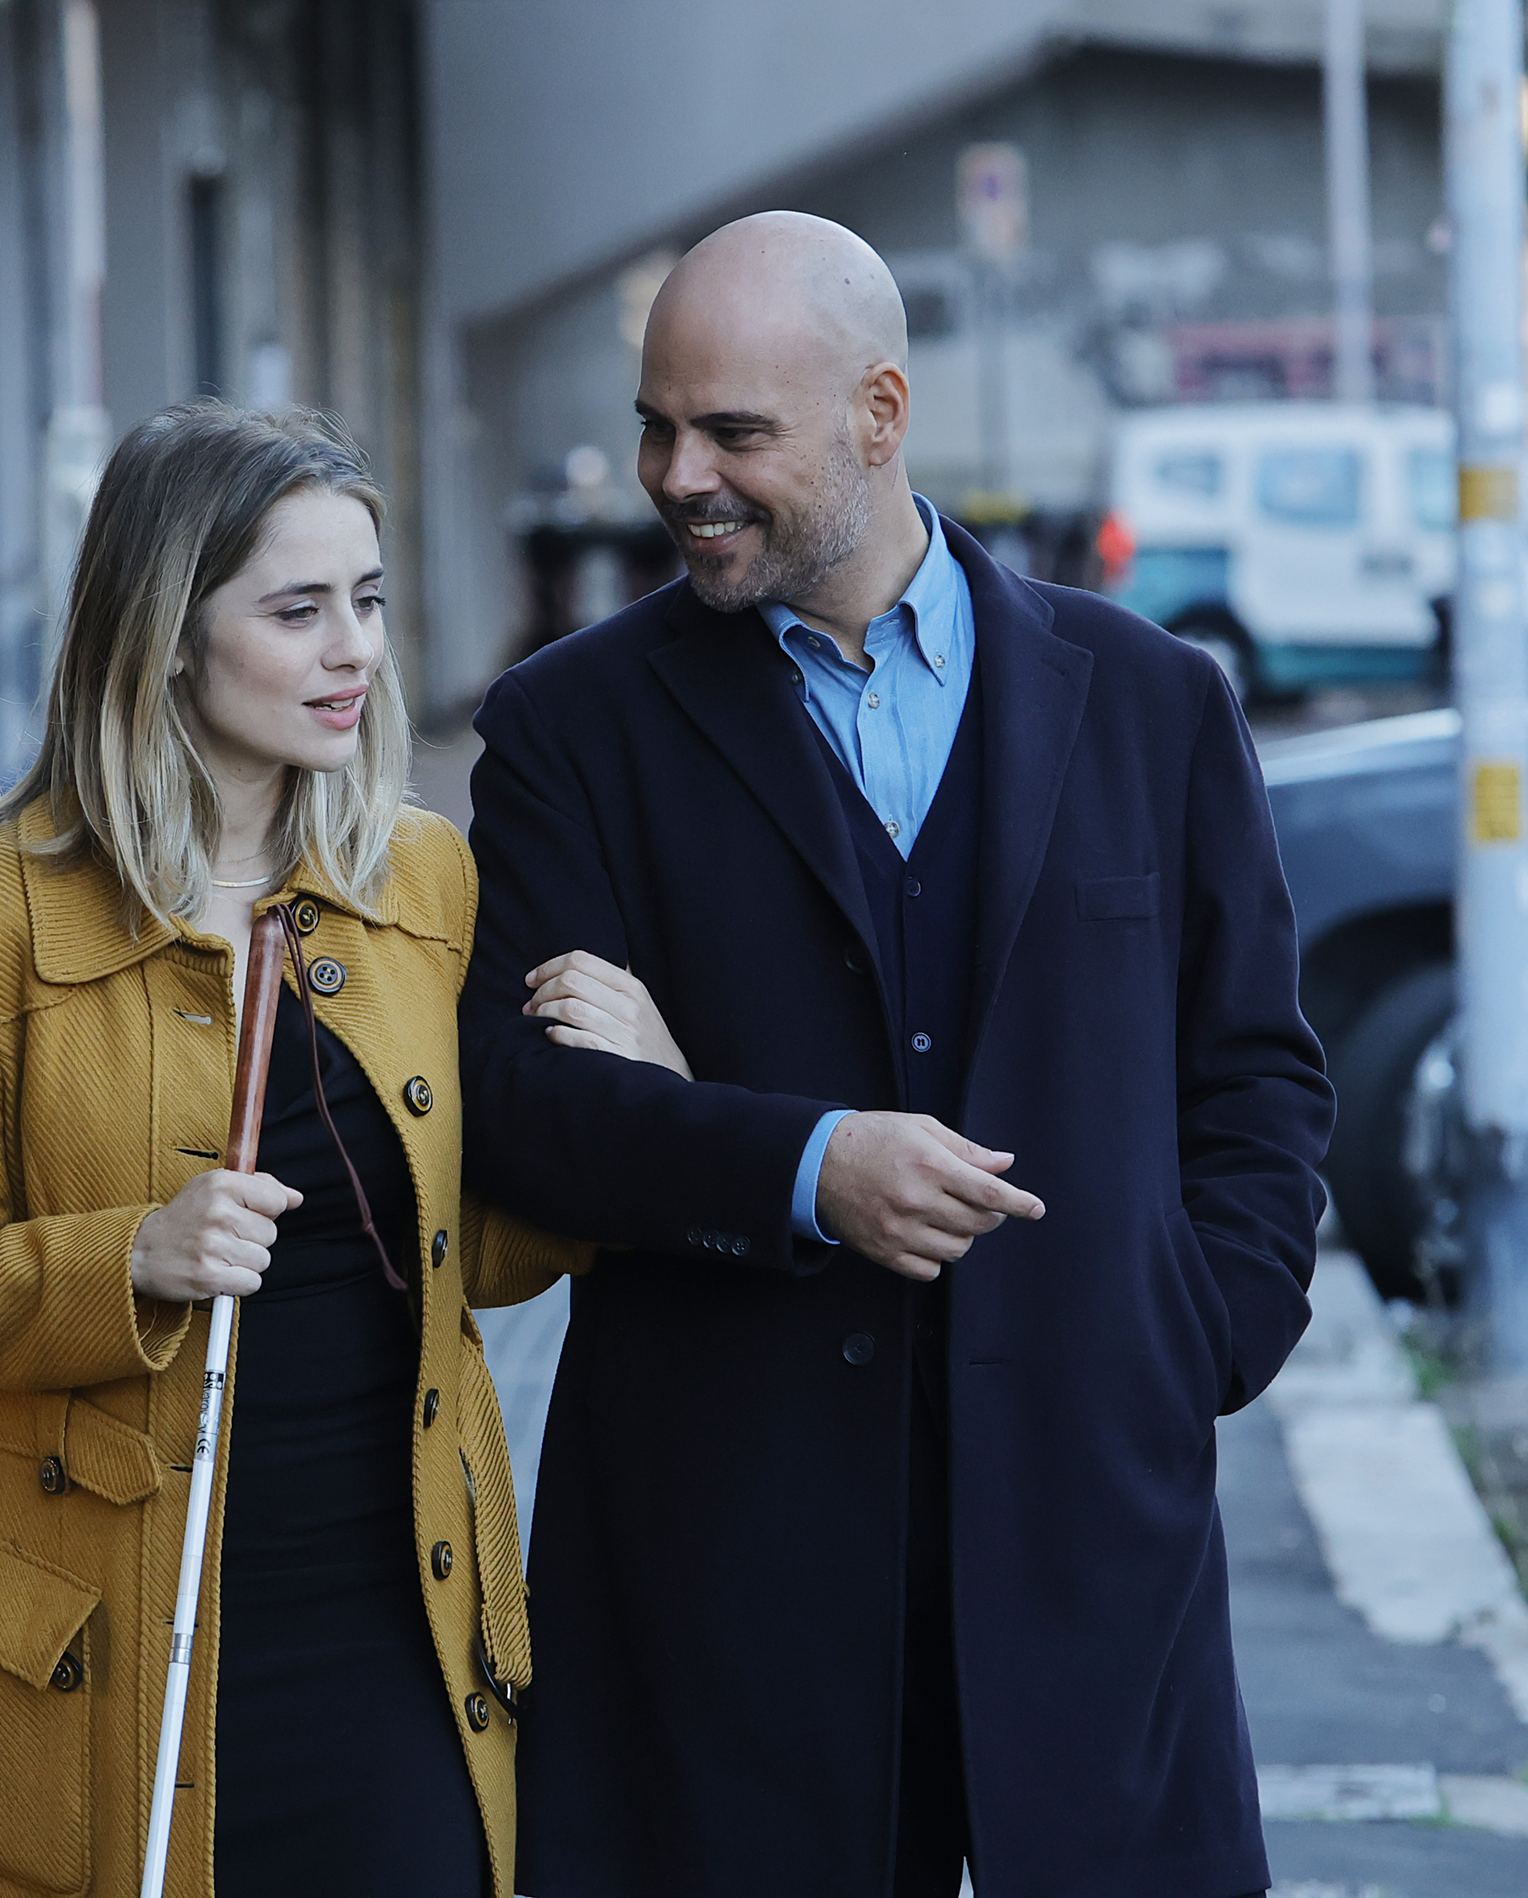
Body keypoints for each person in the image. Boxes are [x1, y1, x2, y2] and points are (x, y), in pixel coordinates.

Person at [461, 213, 1335, 1897]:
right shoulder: (571, 726)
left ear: (880, 412)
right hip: (730, 1568)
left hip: (1093, 1537)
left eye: (734, 432)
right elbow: (518, 1107)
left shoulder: (1154, 703)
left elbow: (1257, 1077)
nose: (678, 478)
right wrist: (802, 1165)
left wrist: (1193, 1336)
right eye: (658, 427)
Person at [0, 402, 623, 1898]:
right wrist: (129, 1256)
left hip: (399, 1617)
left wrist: (624, 1111)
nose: (356, 651)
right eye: (298, 610)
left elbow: (480, 1252)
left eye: (368, 601)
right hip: (101, 1643)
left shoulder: (421, 882)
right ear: (166, 638)